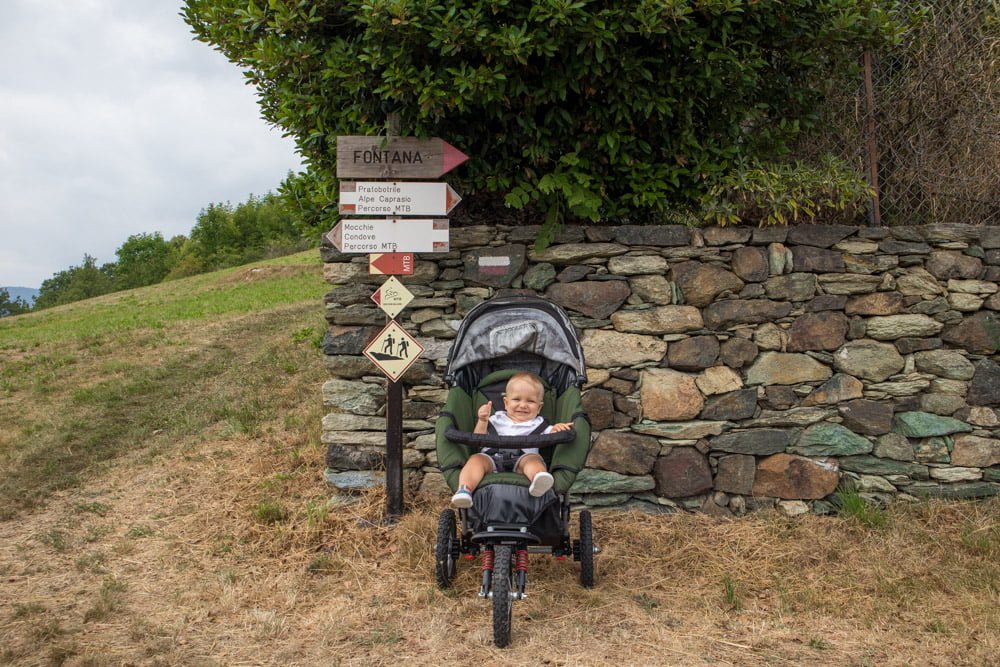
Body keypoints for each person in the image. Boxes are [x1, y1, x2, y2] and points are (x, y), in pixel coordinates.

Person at [451, 372, 574, 508]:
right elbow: (478, 438)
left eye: (530, 401)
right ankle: (464, 490)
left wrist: (557, 428)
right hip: (491, 459)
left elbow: (554, 433)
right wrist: (482, 420)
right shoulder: (495, 419)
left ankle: (539, 480)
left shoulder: (539, 424)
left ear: (539, 407)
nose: (523, 405)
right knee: (475, 460)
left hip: (523, 460)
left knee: (534, 460)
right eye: (517, 400)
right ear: (506, 402)